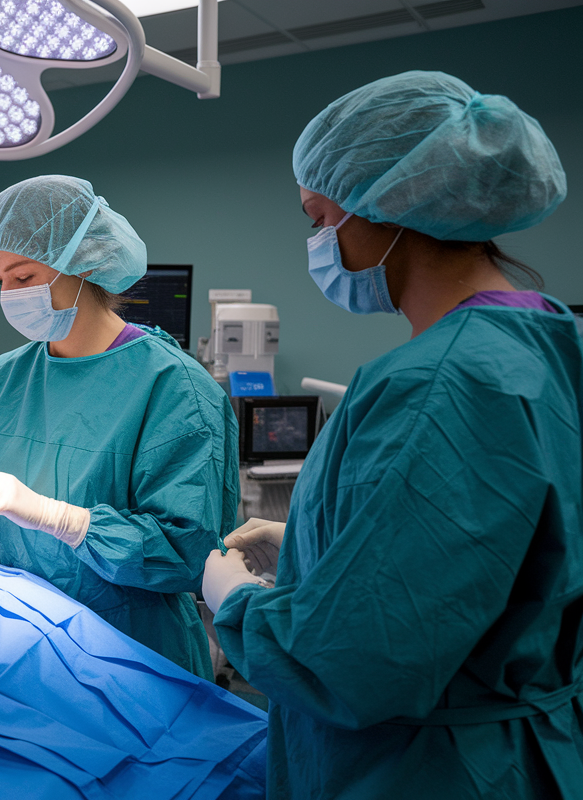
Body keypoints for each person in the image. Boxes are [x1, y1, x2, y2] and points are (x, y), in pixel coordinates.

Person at [202, 71, 582, 798]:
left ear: (391, 208)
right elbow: (505, 554)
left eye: (320, 218)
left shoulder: (440, 379)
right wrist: (319, 549)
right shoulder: (552, 341)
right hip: (534, 746)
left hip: (427, 768)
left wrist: (234, 600)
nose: (318, 241)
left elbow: (357, 658)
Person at [0, 175, 239, 680]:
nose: (8, 294)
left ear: (86, 264)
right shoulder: (9, 375)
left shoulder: (175, 387)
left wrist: (63, 519)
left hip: (131, 659)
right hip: (13, 646)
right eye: (0, 280)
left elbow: (190, 552)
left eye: (24, 276)